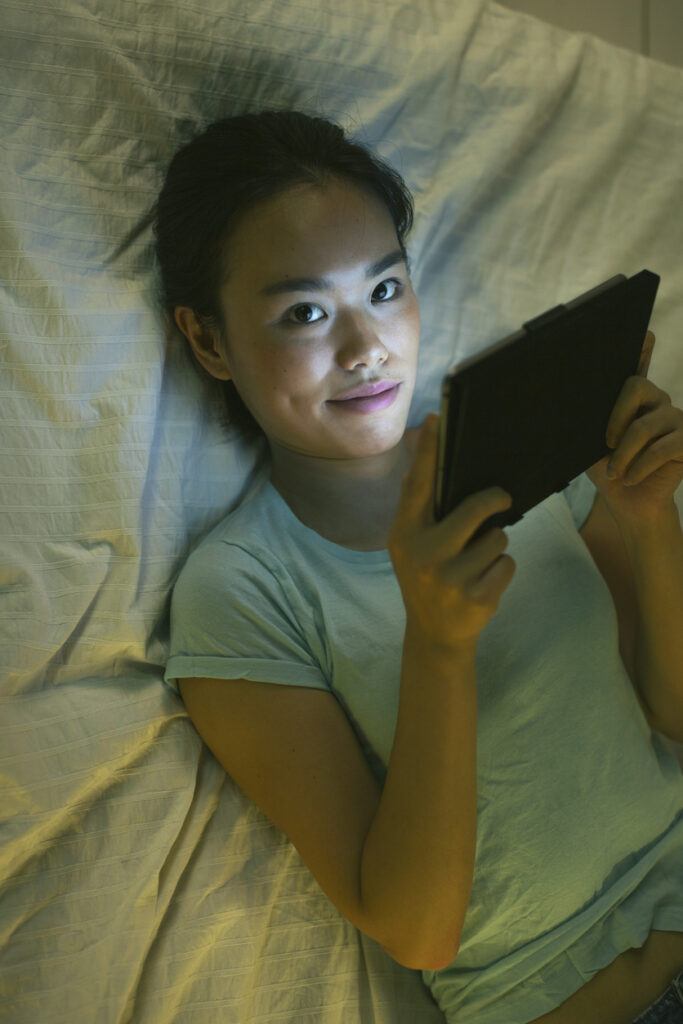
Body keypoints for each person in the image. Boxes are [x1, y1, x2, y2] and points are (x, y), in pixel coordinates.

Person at [153, 108, 683, 1023]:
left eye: (386, 290)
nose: (366, 349)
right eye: (305, 312)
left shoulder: (522, 445)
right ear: (208, 341)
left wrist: (649, 522)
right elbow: (418, 931)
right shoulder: (241, 588)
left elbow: (671, 720)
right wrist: (436, 646)